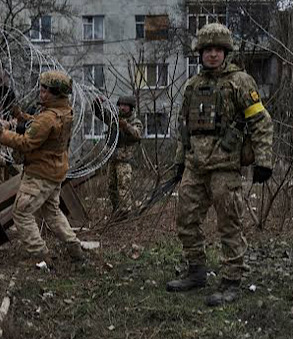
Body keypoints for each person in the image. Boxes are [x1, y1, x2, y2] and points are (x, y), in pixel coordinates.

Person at [166, 23, 273, 307]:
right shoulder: (192, 85)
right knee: (186, 220)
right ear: (200, 53)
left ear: (226, 52)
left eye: (218, 50)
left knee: (229, 224)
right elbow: (185, 128)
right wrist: (179, 162)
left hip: (225, 166)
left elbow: (260, 122)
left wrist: (263, 160)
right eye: (207, 50)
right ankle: (196, 271)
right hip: (195, 165)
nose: (212, 55)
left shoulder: (240, 82)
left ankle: (231, 280)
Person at [0, 70, 86, 266]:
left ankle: (40, 255)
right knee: (52, 212)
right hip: (55, 171)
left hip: (40, 174)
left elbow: (26, 143)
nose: (41, 92)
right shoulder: (64, 111)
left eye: (45, 90)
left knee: (21, 212)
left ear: (56, 93)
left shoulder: (48, 118)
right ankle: (74, 247)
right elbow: (39, 124)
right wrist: (20, 115)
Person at [93, 95, 143, 214]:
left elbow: (137, 134)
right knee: (111, 187)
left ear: (131, 108)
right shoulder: (114, 118)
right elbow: (100, 114)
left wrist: (125, 126)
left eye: (125, 106)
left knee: (123, 187)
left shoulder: (135, 122)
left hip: (124, 161)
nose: (122, 108)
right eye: (120, 105)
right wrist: (97, 103)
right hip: (112, 159)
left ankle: (125, 212)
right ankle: (116, 212)